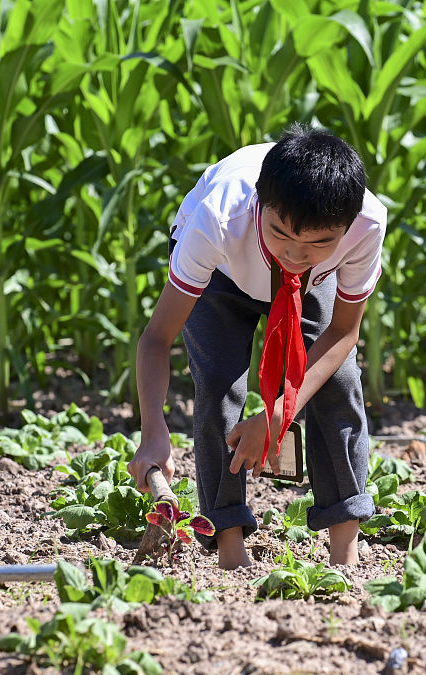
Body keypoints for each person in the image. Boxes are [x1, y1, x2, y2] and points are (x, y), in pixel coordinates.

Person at [128, 125, 387, 569]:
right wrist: (153, 431)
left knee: (339, 380)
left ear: (346, 228)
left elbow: (344, 334)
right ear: (259, 205)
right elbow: (157, 337)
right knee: (218, 380)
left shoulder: (366, 224)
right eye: (281, 233)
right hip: (224, 272)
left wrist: (277, 413)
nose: (295, 254)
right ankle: (229, 546)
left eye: (320, 242)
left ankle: (345, 548)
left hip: (310, 287)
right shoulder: (218, 220)